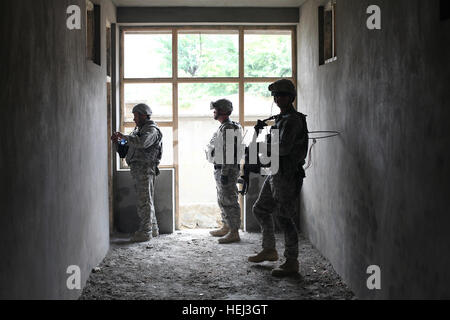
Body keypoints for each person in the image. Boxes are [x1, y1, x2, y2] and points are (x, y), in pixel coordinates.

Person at [248, 79, 309, 277]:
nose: (277, 98)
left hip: (288, 175)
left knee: (284, 217)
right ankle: (269, 249)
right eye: (275, 95)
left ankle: (292, 261)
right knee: (260, 208)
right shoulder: (282, 118)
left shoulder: (292, 120)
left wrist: (262, 147)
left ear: (291, 97)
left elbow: (283, 148)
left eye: (281, 95)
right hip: (276, 172)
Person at [111, 104, 163, 242]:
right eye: (134, 116)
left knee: (144, 201)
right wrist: (119, 141)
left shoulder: (151, 130)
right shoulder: (139, 130)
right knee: (146, 200)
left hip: (145, 169)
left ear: (144, 115)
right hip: (139, 169)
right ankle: (153, 228)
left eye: (136, 116)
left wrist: (124, 137)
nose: (134, 118)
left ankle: (145, 232)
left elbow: (142, 143)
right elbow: (129, 145)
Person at [206, 99, 243, 244]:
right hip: (221, 168)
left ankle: (234, 232)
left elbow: (229, 153)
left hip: (226, 169)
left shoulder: (228, 128)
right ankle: (226, 226)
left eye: (215, 109)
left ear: (223, 111)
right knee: (222, 199)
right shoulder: (225, 127)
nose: (213, 111)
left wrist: (225, 174)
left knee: (230, 200)